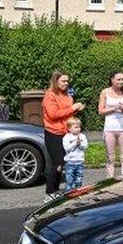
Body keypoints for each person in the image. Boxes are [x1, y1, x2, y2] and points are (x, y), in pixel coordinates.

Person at [42, 71, 84, 200]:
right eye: (63, 81)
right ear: (56, 81)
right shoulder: (50, 95)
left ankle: (55, 190)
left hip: (66, 132)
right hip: (53, 133)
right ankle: (49, 192)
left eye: (67, 81)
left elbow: (68, 115)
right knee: (57, 163)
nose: (66, 83)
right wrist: (72, 109)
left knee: (63, 163)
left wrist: (77, 109)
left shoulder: (67, 95)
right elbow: (53, 114)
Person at [99, 71, 123, 178]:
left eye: (122, 79)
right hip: (109, 128)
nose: (121, 82)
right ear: (112, 80)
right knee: (110, 157)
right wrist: (114, 108)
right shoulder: (105, 92)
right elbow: (100, 111)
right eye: (118, 79)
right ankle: (109, 179)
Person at [62, 117, 88, 191]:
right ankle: (68, 193)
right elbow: (66, 148)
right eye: (76, 127)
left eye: (79, 127)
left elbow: (85, 146)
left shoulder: (82, 136)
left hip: (80, 162)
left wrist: (80, 144)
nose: (78, 129)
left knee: (79, 180)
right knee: (69, 180)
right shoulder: (67, 137)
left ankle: (77, 192)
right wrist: (74, 143)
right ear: (69, 128)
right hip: (70, 162)